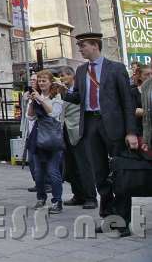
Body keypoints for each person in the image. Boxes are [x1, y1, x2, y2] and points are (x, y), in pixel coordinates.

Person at [63, 32, 138, 237]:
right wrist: (62, 92)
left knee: (120, 175)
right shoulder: (80, 70)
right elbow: (78, 96)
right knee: (100, 174)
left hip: (113, 126)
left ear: (95, 46)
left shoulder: (116, 68)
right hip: (90, 125)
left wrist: (131, 131)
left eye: (83, 45)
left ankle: (122, 221)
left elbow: (127, 102)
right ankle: (107, 217)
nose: (80, 49)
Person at [26, 69, 65, 213]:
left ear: (50, 82)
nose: (41, 83)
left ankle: (57, 201)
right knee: (38, 172)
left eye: (44, 81)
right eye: (39, 81)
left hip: (51, 136)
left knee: (53, 171)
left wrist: (41, 100)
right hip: (37, 135)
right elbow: (30, 117)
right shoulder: (36, 95)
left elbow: (53, 113)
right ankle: (41, 198)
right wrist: (31, 101)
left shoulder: (57, 96)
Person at [58, 66, 97, 209]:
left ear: (72, 76)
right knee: (70, 167)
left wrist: (64, 91)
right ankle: (78, 194)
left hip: (78, 131)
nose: (62, 78)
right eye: (60, 75)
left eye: (64, 75)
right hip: (65, 131)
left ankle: (90, 197)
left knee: (83, 166)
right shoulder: (60, 91)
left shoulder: (79, 88)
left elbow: (79, 101)